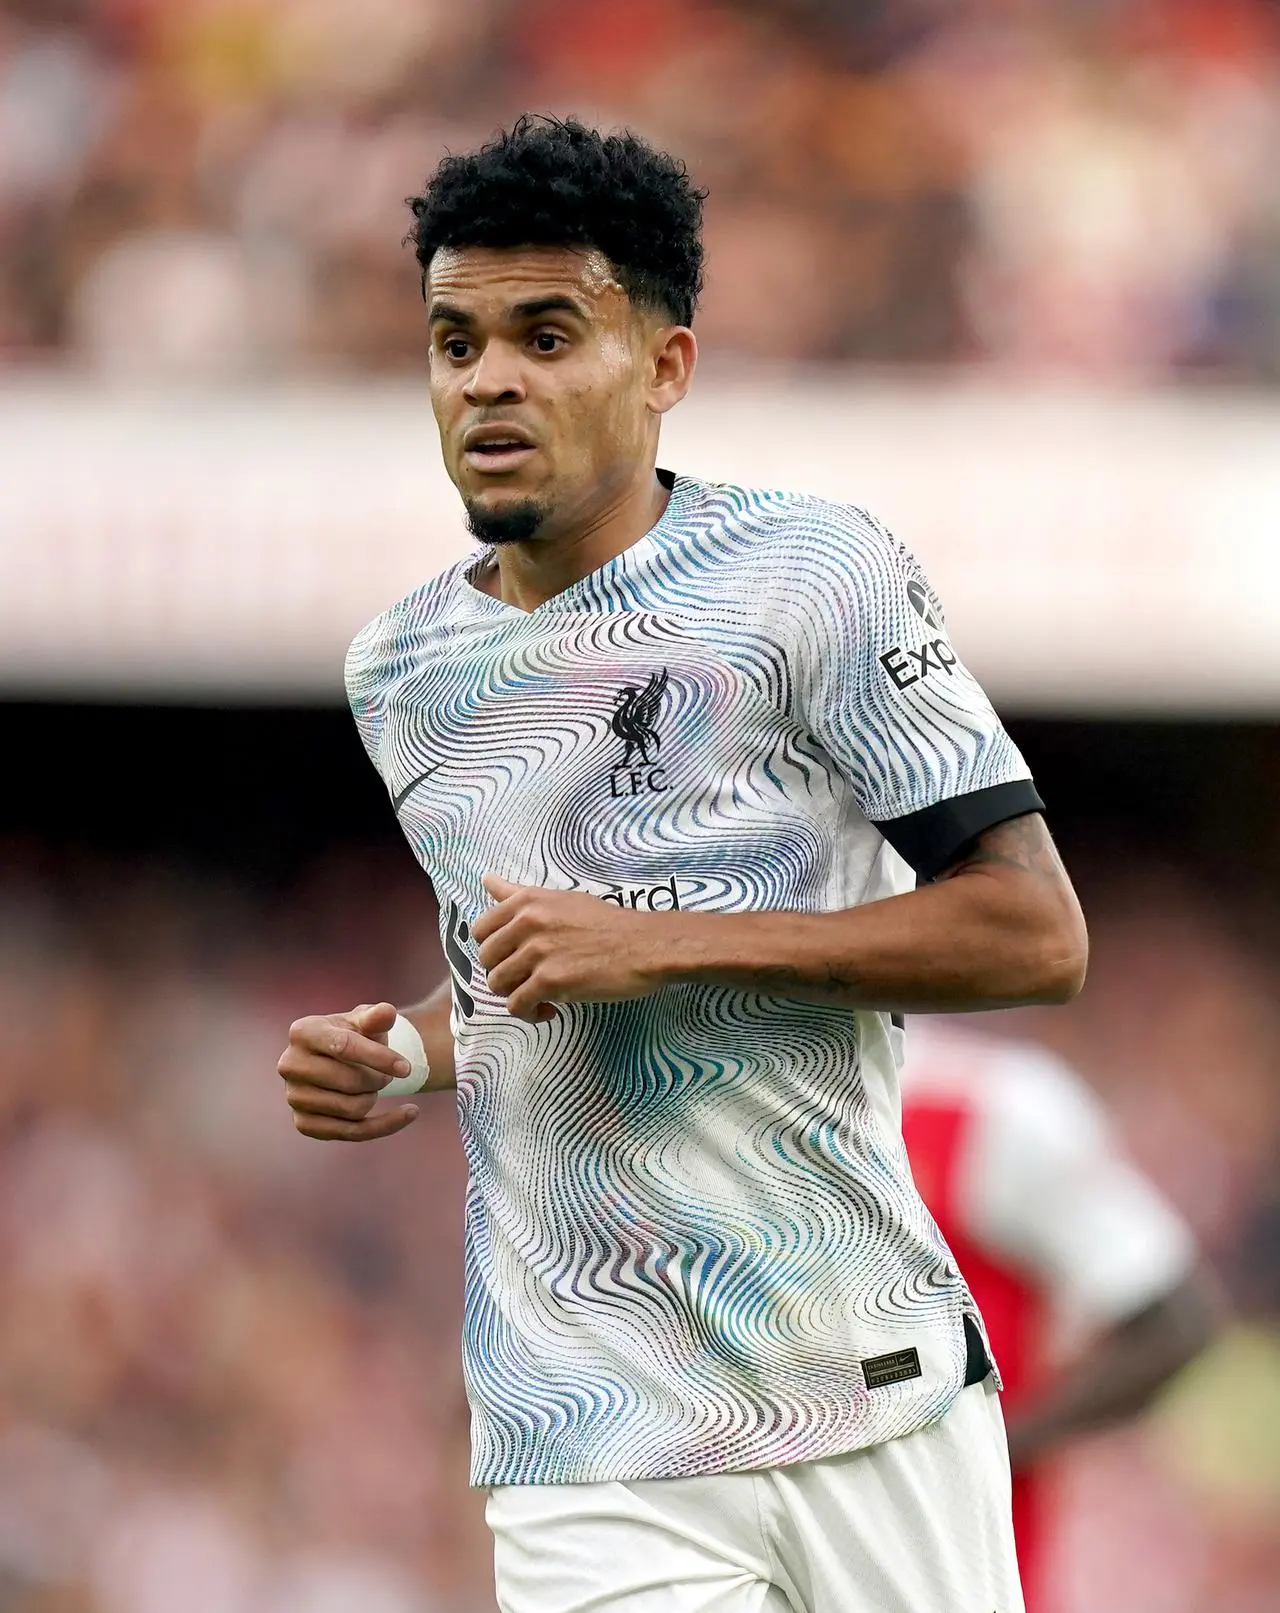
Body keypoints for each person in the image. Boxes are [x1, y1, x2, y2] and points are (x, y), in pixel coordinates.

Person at [276, 115, 1089, 1613]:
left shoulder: (809, 577)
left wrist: (667, 942)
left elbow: (1032, 936)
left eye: (545, 333)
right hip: (584, 1416)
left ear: (664, 367)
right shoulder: (401, 672)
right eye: (455, 342)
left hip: (859, 1372)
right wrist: (407, 1050)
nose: (489, 380)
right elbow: (535, 971)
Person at [898, 1020, 1217, 1612]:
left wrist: (986, 1449)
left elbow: (1173, 1324)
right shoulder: (692, 1091)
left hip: (960, 1570)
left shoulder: (989, 1103)